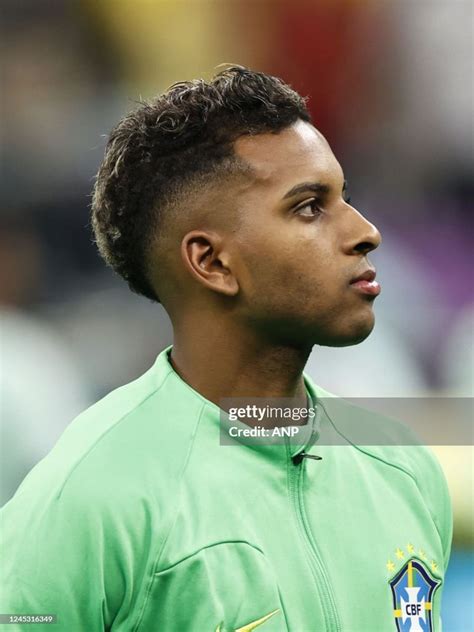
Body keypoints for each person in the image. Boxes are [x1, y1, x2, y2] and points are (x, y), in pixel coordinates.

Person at [1, 67, 452, 631]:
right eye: (310, 206)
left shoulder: (402, 466)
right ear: (211, 262)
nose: (365, 231)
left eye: (346, 197)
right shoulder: (92, 496)